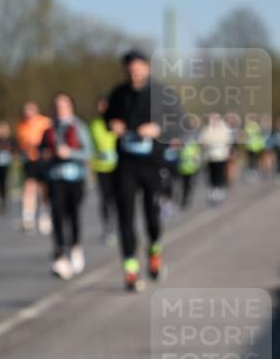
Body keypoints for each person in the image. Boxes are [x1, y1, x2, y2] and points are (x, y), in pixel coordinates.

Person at [105, 49, 179, 291]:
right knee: (125, 216)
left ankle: (154, 252)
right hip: (126, 163)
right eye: (130, 70)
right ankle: (130, 269)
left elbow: (178, 122)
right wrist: (112, 124)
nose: (134, 74)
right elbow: (107, 118)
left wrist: (158, 129)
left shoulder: (162, 94)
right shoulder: (118, 94)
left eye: (138, 69)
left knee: (151, 217)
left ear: (147, 68)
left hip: (152, 163)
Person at [40, 93, 91, 280]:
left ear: (70, 107)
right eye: (56, 107)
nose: (59, 110)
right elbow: (41, 152)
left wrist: (69, 153)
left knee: (73, 214)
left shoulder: (79, 127)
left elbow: (88, 152)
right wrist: (46, 154)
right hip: (55, 178)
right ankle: (60, 254)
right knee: (57, 215)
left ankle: (75, 246)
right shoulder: (49, 129)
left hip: (75, 178)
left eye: (62, 106)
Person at [15, 101, 52, 234]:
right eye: (26, 111)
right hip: (30, 161)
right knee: (29, 187)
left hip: (43, 160)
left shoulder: (45, 122)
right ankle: (28, 217)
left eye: (31, 110)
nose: (28, 113)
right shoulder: (21, 126)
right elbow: (21, 144)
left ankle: (44, 214)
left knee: (44, 188)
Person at [89, 96, 118, 245]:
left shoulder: (117, 123)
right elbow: (90, 146)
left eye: (104, 106)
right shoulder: (94, 124)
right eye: (100, 106)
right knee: (106, 199)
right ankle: (108, 227)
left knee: (119, 198)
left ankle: (119, 225)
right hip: (101, 167)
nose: (102, 109)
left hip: (118, 167)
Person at [199, 112, 232, 203]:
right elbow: (202, 141)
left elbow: (228, 141)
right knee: (211, 174)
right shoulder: (206, 130)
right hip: (209, 156)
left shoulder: (224, 129)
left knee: (219, 174)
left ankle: (219, 189)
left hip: (221, 156)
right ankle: (212, 190)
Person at [176, 116, 201, 209]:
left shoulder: (196, 135)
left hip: (192, 164)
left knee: (188, 183)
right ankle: (183, 199)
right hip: (183, 163)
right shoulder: (182, 135)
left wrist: (197, 158)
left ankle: (185, 199)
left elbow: (198, 148)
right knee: (184, 183)